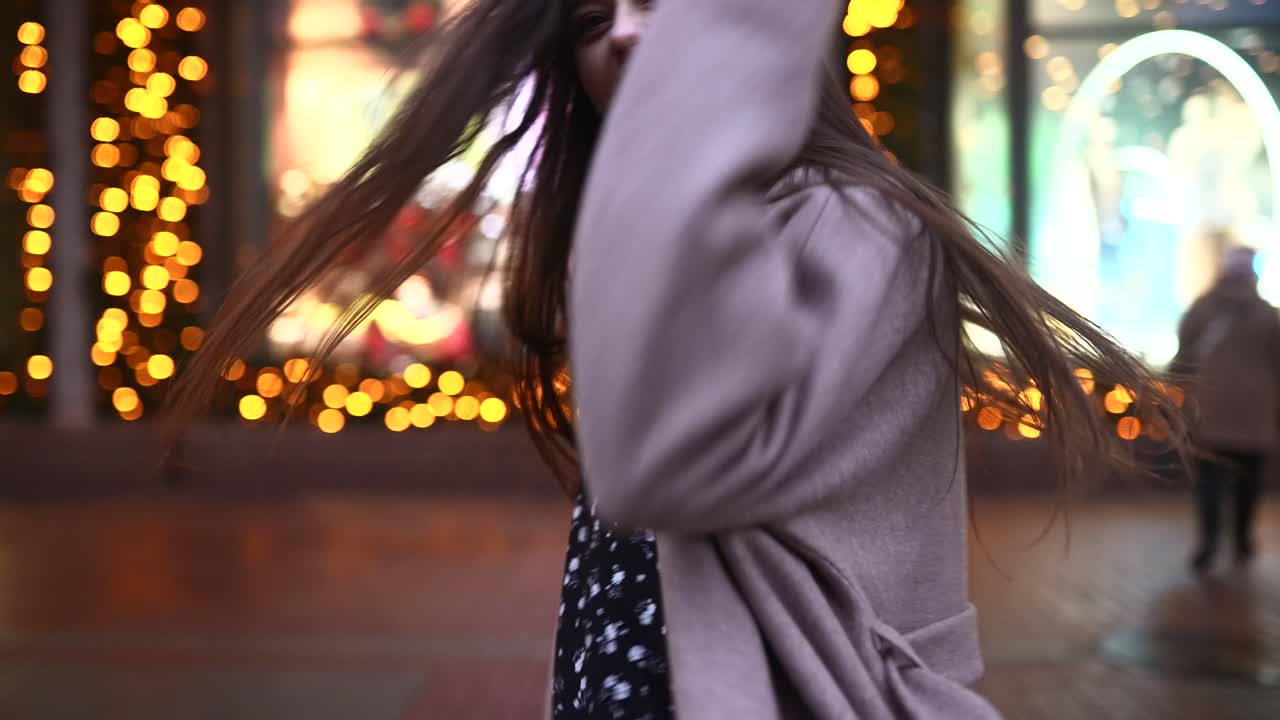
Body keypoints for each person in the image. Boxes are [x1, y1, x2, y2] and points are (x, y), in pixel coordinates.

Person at [163, 1, 1184, 717]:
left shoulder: (854, 227)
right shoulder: (688, 244)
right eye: (588, 21)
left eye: (666, 2)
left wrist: (717, 60)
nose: (623, 31)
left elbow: (662, 462)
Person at [1172, 246, 1280, 573]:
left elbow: (1184, 348)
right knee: (1247, 479)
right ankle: (1242, 540)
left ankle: (1209, 542)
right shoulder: (1268, 316)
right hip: (1255, 410)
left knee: (1208, 479)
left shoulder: (1204, 308)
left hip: (1212, 407)